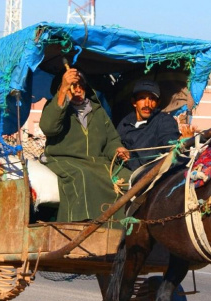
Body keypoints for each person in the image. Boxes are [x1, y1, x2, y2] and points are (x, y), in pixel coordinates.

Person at [39, 68, 130, 222]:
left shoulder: (98, 111)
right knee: (82, 176)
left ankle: (121, 229)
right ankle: (80, 228)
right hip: (64, 160)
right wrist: (63, 92)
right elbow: (48, 127)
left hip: (97, 163)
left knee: (128, 177)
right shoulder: (54, 107)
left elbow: (111, 140)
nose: (78, 89)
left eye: (81, 84)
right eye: (73, 85)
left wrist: (117, 150)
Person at [116, 79, 196, 170]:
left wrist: (183, 143)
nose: (147, 104)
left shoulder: (164, 121)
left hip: (148, 175)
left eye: (152, 99)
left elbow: (169, 143)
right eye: (142, 98)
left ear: (158, 103)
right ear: (134, 102)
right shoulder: (123, 123)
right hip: (120, 171)